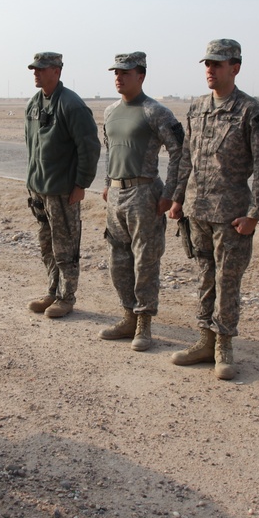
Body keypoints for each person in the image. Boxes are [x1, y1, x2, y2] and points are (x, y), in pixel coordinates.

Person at [168, 39, 259, 380]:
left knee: (228, 282)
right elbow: (187, 157)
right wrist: (177, 198)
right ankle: (204, 339)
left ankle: (224, 347)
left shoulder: (250, 110)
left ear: (235, 67)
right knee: (204, 278)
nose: (210, 70)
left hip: (232, 216)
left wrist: (256, 214)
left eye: (217, 64)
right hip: (197, 211)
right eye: (207, 64)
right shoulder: (197, 107)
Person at [99, 52, 183, 351]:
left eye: (125, 72)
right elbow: (111, 150)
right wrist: (108, 184)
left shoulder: (155, 111)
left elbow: (179, 152)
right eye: (116, 73)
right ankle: (127, 317)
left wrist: (170, 193)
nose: (118, 77)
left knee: (145, 262)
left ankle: (144, 323)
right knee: (118, 261)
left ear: (141, 76)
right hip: (117, 195)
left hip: (144, 193)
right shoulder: (110, 112)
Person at [24, 52, 101, 318]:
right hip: (39, 189)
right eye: (34, 69)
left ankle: (66, 298)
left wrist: (81, 183)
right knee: (46, 244)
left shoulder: (71, 104)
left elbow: (89, 147)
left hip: (62, 190)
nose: (36, 72)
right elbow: (30, 144)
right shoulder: (34, 103)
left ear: (57, 71)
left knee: (65, 246)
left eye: (42, 69)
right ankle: (52, 291)